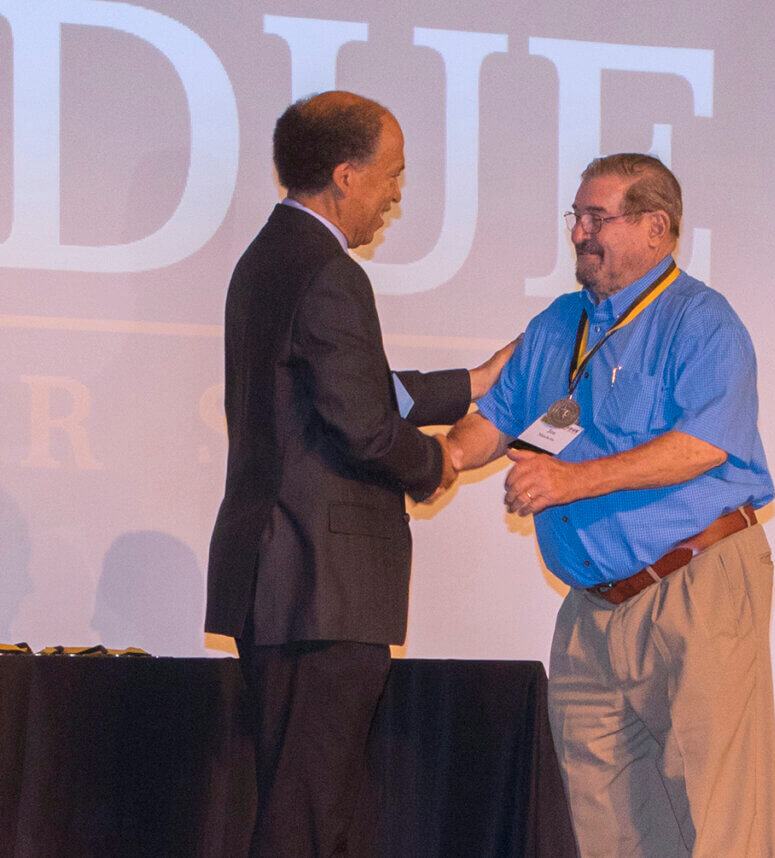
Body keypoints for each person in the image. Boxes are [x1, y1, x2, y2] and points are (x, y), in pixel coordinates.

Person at [205, 91, 515, 857]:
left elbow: (346, 386)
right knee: (309, 815)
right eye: (392, 175)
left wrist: (472, 383)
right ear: (346, 175)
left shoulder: (271, 257)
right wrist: (441, 460)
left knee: (308, 803)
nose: (396, 195)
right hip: (322, 585)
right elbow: (363, 426)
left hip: (285, 579)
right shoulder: (328, 271)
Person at [447, 153, 775, 857]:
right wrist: (429, 460)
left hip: (694, 587)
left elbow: (702, 446)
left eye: (599, 218)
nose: (579, 234)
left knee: (718, 820)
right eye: (577, 217)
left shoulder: (702, 321)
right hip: (591, 614)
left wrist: (571, 480)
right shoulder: (560, 325)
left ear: (657, 228)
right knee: (602, 830)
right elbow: (491, 421)